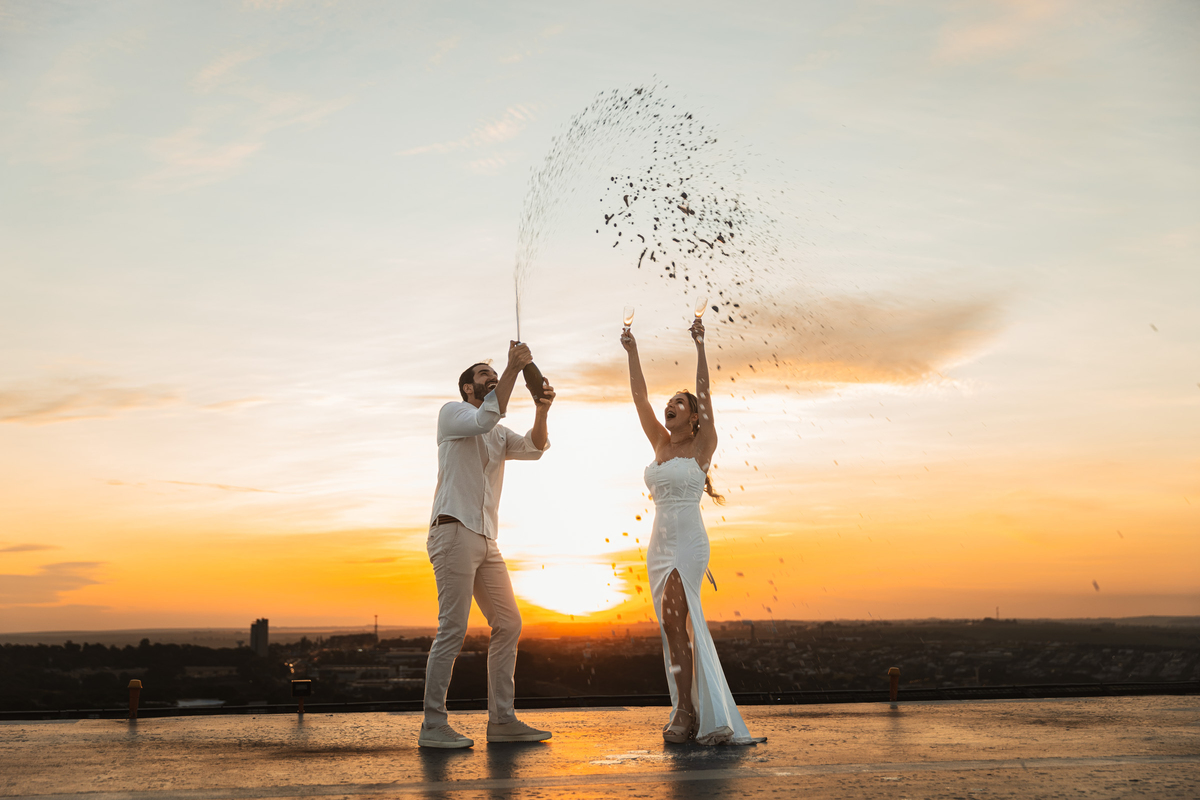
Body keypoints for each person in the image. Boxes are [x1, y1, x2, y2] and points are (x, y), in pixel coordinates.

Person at [620, 317, 764, 745]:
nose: (670, 405)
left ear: (695, 415)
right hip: (659, 545)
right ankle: (687, 704)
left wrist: (700, 345)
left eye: (679, 403)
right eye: (671, 402)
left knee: (676, 617)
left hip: (689, 542)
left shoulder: (704, 445)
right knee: (671, 626)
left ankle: (687, 709)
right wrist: (632, 351)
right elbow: (639, 397)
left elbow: (704, 390)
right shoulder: (660, 444)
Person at [419, 341, 555, 749]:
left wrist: (543, 409)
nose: (492, 378)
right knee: (453, 629)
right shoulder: (454, 414)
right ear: (466, 387)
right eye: (484, 375)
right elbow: (484, 417)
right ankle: (433, 725)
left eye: (494, 375)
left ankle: (502, 721)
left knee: (509, 623)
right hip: (452, 531)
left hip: (486, 538)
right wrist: (514, 368)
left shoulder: (497, 432)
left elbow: (534, 448)